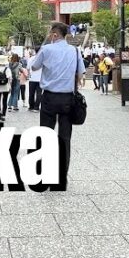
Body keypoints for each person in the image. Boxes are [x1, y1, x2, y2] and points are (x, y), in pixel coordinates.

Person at [31, 22, 85, 182]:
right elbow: (81, 74)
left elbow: (34, 67)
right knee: (65, 137)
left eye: (50, 34)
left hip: (49, 97)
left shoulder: (46, 49)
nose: (49, 36)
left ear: (55, 34)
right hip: (68, 98)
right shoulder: (75, 51)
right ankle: (62, 175)